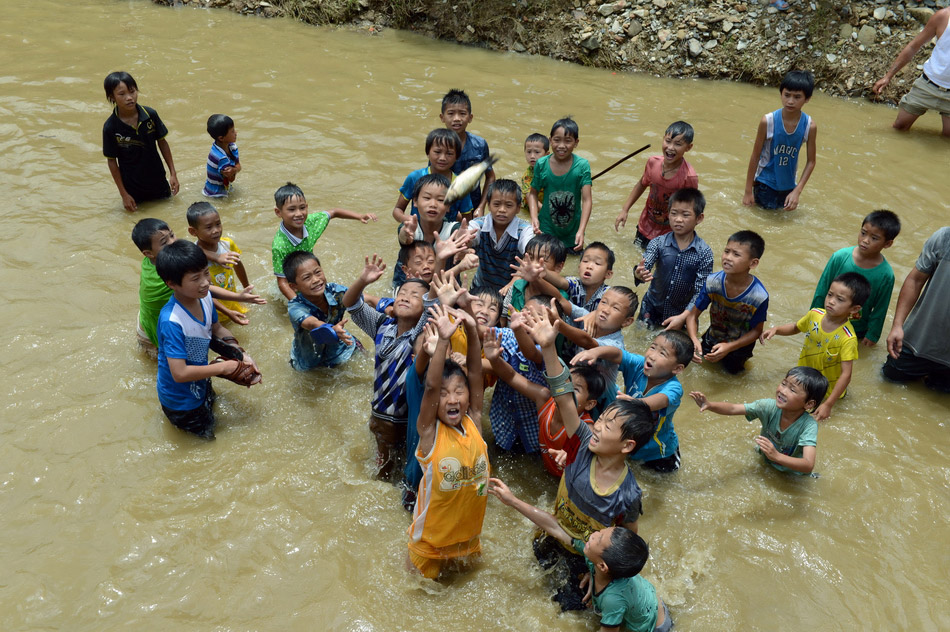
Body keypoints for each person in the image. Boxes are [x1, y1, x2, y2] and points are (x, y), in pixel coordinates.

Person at [520, 306, 655, 611]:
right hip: (553, 532)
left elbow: (626, 542)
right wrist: (549, 347)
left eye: (608, 425)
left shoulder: (627, 494)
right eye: (602, 418)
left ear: (626, 445)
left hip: (586, 558)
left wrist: (601, 576)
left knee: (568, 610)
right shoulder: (583, 441)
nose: (598, 425)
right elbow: (563, 396)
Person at [488, 480, 672, 632]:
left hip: (654, 626)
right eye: (600, 532)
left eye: (598, 538)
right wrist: (512, 501)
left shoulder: (612, 599)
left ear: (602, 567)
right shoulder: (598, 560)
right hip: (644, 601)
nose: (592, 535)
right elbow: (554, 528)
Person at [407, 304, 489, 580]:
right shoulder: (429, 432)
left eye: (458, 391)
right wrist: (443, 340)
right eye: (444, 394)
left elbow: (476, 374)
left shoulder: (474, 421)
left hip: (468, 541)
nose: (452, 399)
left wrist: (474, 333)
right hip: (429, 545)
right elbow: (429, 386)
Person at [154, 241, 260, 440]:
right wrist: (224, 368)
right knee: (205, 440)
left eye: (205, 273)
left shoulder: (204, 297)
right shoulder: (172, 321)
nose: (205, 282)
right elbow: (179, 373)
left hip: (201, 379)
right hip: (181, 402)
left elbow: (216, 329)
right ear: (172, 283)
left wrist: (241, 354)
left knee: (212, 411)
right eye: (195, 278)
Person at [343, 254, 432, 480]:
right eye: (402, 293)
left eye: (414, 296)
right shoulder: (383, 325)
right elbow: (351, 304)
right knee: (382, 470)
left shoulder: (419, 334)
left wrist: (441, 260)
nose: (405, 297)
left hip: (406, 419)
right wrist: (363, 280)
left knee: (400, 471)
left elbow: (433, 304)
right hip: (379, 415)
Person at [483, 327, 606, 478]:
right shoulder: (544, 399)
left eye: (575, 390)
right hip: (547, 472)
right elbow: (511, 376)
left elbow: (599, 456)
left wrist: (578, 454)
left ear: (589, 404)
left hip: (568, 485)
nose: (566, 391)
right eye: (566, 384)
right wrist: (494, 360)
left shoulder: (586, 428)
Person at [131, 218, 263, 357]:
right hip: (153, 328)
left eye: (172, 235)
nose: (173, 242)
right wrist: (237, 297)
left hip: (148, 315)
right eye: (165, 242)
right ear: (148, 253)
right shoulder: (166, 276)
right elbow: (207, 291)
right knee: (165, 362)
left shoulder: (154, 259)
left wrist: (215, 257)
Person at [575, 330, 692, 473]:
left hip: (658, 452)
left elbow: (660, 400)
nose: (652, 355)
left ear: (677, 368)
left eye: (662, 354)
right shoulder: (639, 365)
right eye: (653, 347)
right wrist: (596, 352)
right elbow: (618, 354)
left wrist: (635, 403)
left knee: (659, 481)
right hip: (631, 441)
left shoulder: (674, 388)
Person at [761, 272, 870, 421]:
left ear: (854, 309)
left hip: (827, 392)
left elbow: (846, 374)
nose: (831, 301)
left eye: (840, 299)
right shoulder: (815, 315)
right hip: (803, 381)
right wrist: (777, 330)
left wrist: (829, 404)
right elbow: (796, 327)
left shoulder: (847, 338)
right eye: (830, 295)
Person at [689, 367, 828, 475]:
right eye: (783, 384)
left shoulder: (808, 426)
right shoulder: (768, 406)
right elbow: (733, 408)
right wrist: (710, 405)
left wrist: (777, 456)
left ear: (809, 404)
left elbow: (808, 464)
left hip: (791, 474)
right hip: (767, 459)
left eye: (792, 390)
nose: (783, 391)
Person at [271, 182, 377, 300]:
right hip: (293, 286)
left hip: (309, 274)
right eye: (291, 209)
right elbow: (283, 283)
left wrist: (359, 216)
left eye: (302, 208)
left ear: (306, 206)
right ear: (278, 212)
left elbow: (334, 212)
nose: (299, 214)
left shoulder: (311, 222)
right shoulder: (280, 246)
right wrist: (298, 304)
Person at [810, 210, 900, 346]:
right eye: (863, 233)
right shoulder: (839, 257)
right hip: (827, 321)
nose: (865, 240)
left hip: (857, 331)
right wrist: (813, 317)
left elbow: (881, 308)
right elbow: (822, 288)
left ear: (887, 244)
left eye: (874, 238)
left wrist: (873, 335)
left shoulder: (886, 275)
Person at [684, 231, 769, 374]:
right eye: (726, 251)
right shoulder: (712, 282)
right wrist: (693, 339)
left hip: (739, 348)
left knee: (732, 376)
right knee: (700, 367)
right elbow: (692, 316)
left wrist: (729, 347)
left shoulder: (758, 296)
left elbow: (756, 331)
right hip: (712, 338)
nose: (728, 258)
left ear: (753, 263)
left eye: (736, 254)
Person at [634, 187, 713, 329]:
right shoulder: (658, 242)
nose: (678, 219)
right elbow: (646, 263)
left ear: (699, 218)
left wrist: (684, 316)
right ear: (668, 214)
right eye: (674, 213)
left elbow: (701, 291)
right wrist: (639, 273)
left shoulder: (704, 253)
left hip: (681, 314)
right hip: (651, 308)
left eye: (685, 215)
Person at [883, 227, 950, 392]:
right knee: (888, 384)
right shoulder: (944, 238)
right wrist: (897, 325)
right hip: (916, 343)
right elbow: (915, 280)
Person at [102, 71, 178, 211]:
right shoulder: (110, 127)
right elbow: (112, 161)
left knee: (169, 212)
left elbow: (162, 142)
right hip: (132, 187)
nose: (129, 98)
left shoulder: (150, 115)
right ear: (112, 97)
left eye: (132, 91)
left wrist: (173, 173)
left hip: (158, 180)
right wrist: (124, 194)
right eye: (122, 94)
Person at [615, 121, 698, 249]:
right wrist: (625, 210)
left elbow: (692, 209)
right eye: (668, 141)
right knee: (637, 256)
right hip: (645, 225)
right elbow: (641, 185)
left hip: (669, 234)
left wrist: (684, 236)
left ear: (688, 147)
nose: (670, 147)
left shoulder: (689, 177)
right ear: (663, 139)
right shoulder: (653, 163)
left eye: (678, 144)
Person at [742, 70, 818, 211]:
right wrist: (747, 192)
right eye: (787, 95)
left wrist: (797, 190)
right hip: (765, 184)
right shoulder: (768, 121)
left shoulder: (809, 126)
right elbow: (755, 155)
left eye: (797, 97)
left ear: (807, 99)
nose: (790, 101)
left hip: (789, 186)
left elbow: (811, 161)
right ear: (781, 94)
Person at [872, 7, 950, 137]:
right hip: (928, 84)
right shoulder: (943, 16)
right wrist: (888, 76)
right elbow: (914, 46)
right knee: (899, 127)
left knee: (947, 139)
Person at [282, 251, 359, 370]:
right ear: (294, 287)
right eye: (307, 277)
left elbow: (365, 299)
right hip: (309, 359)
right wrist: (331, 330)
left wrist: (389, 307)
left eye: (318, 272)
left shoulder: (334, 291)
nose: (316, 280)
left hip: (340, 345)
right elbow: (313, 323)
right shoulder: (296, 307)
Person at [527, 117, 592, 252]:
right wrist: (534, 218)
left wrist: (581, 230)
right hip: (546, 229)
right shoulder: (541, 164)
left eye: (568, 141)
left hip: (572, 232)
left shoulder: (582, 166)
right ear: (550, 140)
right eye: (557, 140)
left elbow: (587, 200)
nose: (561, 146)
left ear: (576, 142)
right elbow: (532, 193)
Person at [187, 202, 254, 325]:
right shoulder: (194, 256)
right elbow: (204, 292)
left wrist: (246, 287)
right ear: (193, 231)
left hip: (232, 299)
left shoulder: (227, 244)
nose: (216, 230)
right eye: (209, 227)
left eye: (218, 224)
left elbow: (238, 265)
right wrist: (227, 311)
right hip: (212, 309)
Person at [391, 128, 473, 224]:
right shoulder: (415, 177)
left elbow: (467, 220)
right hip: (417, 231)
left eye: (449, 153)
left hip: (446, 236)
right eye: (437, 152)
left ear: (457, 156)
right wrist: (405, 219)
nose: (442, 158)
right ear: (427, 152)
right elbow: (397, 210)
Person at [465, 179, 533, 292]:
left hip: (512, 288)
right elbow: (468, 239)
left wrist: (512, 283)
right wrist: (464, 243)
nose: (502, 210)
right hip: (481, 287)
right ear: (488, 205)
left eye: (508, 205)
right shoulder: (478, 225)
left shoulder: (524, 230)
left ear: (518, 208)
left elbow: (531, 256)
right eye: (496, 204)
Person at [440, 89, 495, 216]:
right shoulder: (438, 145)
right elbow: (433, 180)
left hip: (473, 208)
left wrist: (481, 207)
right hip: (446, 209)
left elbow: (490, 176)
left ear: (470, 118)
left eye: (462, 114)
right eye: (451, 113)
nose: (457, 119)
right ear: (442, 117)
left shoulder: (479, 145)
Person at [501, 234, 568, 321]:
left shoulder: (559, 298)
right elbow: (503, 318)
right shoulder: (517, 286)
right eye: (530, 258)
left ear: (559, 266)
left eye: (542, 261)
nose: (532, 265)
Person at [542, 241, 615, 314]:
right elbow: (560, 281)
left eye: (597, 263)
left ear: (608, 274)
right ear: (579, 268)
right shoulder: (575, 283)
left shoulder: (609, 294)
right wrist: (543, 270)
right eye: (585, 261)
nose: (589, 266)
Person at [202, 114, 241, 197]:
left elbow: (238, 165)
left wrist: (234, 170)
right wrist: (234, 170)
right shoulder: (221, 158)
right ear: (221, 138)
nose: (236, 133)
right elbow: (231, 179)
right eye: (232, 131)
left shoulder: (232, 147)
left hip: (212, 188)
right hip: (215, 194)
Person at [521, 132, 549, 214]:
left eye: (537, 152)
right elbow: (531, 198)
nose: (532, 156)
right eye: (529, 152)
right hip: (530, 209)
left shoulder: (553, 170)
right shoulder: (527, 176)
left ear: (547, 154)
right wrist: (548, 213)